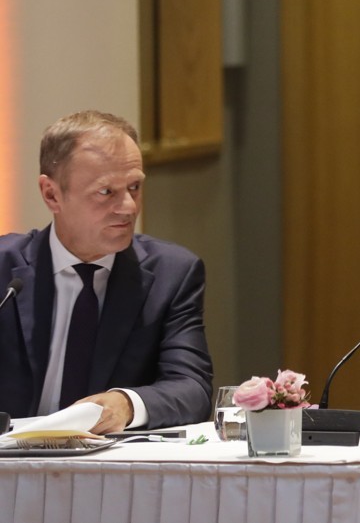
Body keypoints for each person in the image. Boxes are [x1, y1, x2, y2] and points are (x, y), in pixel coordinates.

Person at [0, 111, 213, 433]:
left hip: (110, 459)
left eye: (134, 187)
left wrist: (126, 404)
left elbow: (192, 388)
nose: (128, 207)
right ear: (51, 194)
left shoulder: (172, 274)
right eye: (106, 192)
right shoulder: (5, 270)